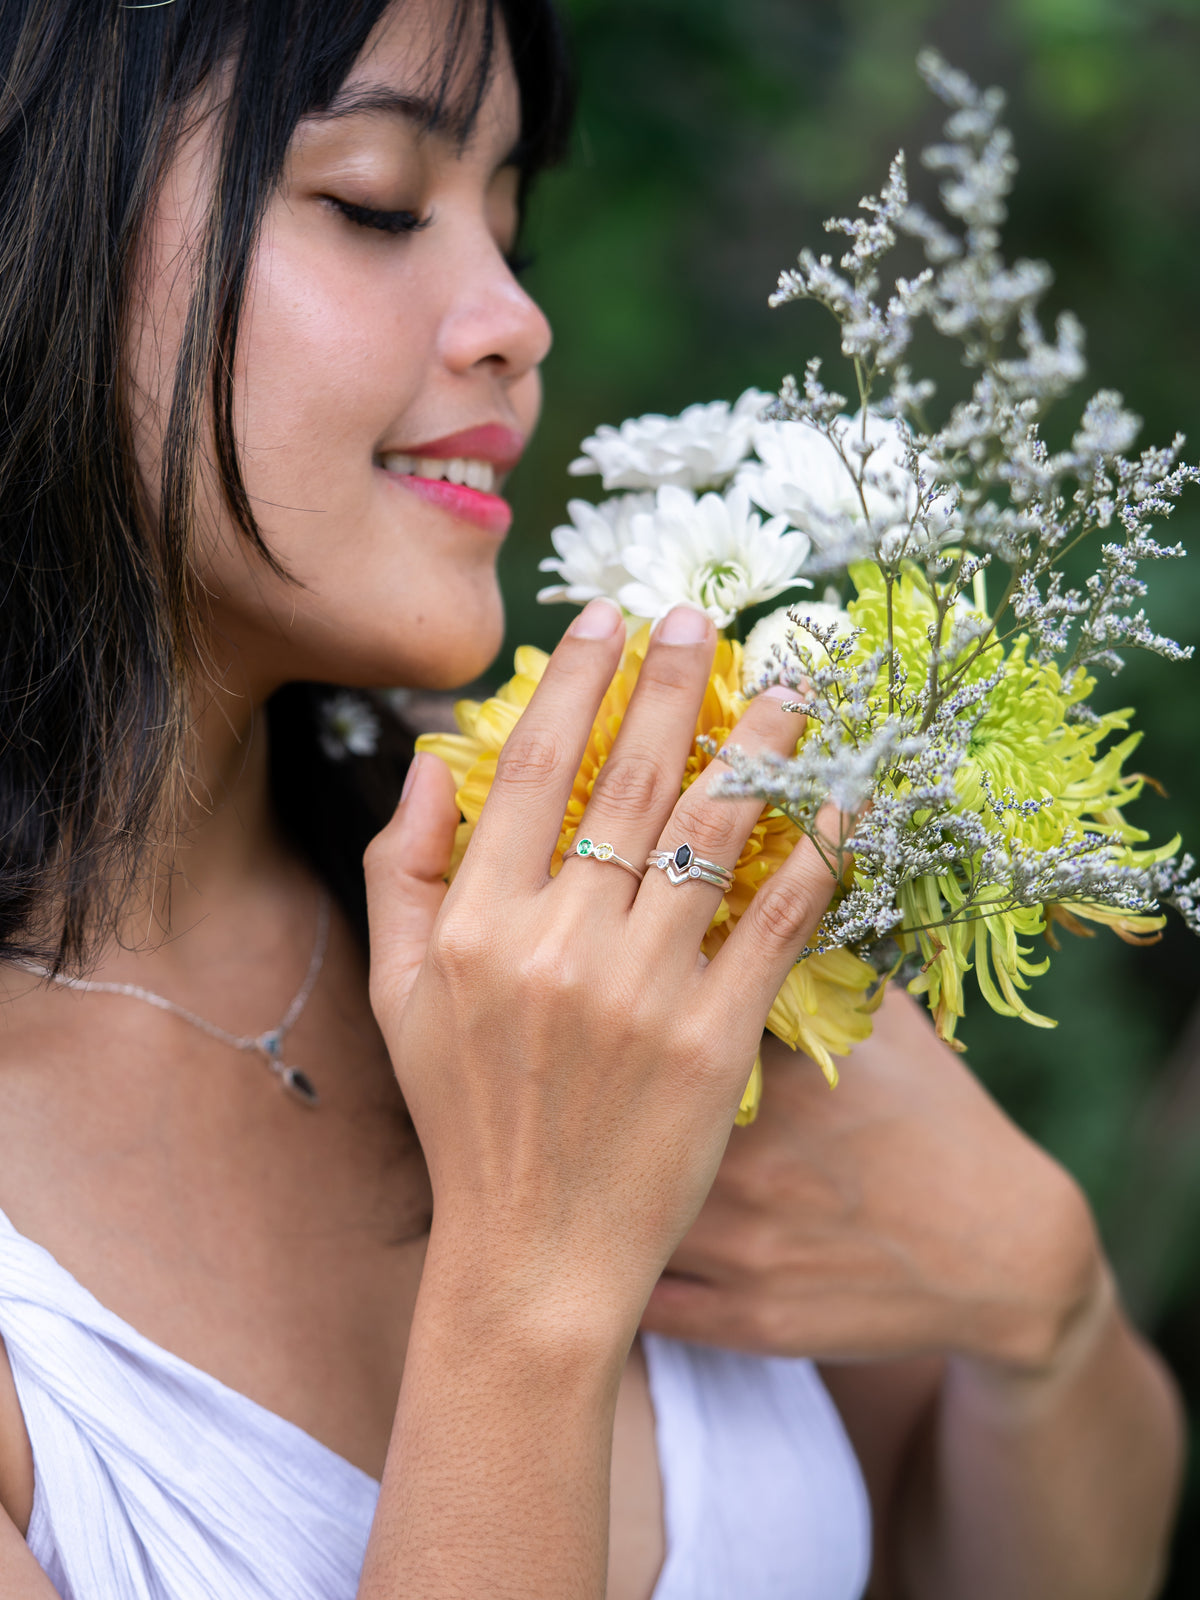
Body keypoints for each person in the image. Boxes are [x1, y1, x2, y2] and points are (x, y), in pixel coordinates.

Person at [0, 0, 1183, 1596]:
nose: (510, 321)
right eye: (373, 203)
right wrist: (537, 1284)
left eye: (511, 232)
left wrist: (1040, 1301)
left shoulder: (587, 904)